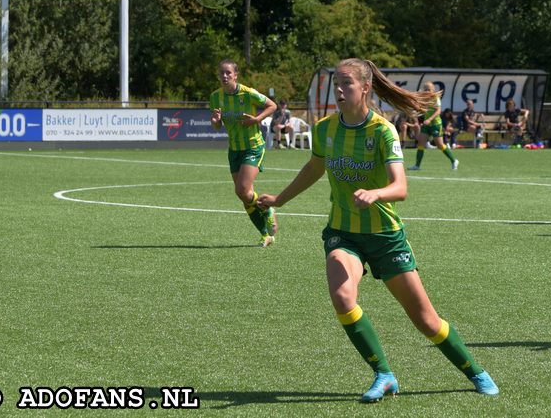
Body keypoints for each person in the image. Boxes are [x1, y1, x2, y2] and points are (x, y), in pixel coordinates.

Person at [257, 58, 499, 402]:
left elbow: (400, 188)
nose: (339, 91)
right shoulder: (326, 129)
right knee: (343, 297)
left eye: (346, 84)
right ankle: (384, 374)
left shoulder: (382, 131)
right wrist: (280, 199)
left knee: (426, 320)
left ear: (365, 88)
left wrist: (376, 193)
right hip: (343, 233)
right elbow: (314, 168)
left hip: (386, 238)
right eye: (335, 85)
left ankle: (475, 371)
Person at [210, 59, 279, 247]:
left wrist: (256, 119)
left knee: (241, 189)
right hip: (234, 149)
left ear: (235, 75)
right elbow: (217, 127)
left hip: (252, 146)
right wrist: (216, 121)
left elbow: (272, 105)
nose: (224, 76)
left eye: (228, 73)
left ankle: (268, 210)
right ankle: (265, 234)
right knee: (244, 194)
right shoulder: (215, 97)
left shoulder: (247, 93)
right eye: (221, 73)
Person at [408, 82, 459, 171]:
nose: (427, 91)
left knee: (440, 145)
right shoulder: (424, 98)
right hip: (427, 125)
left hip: (435, 125)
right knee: (421, 144)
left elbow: (438, 111)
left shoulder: (436, 98)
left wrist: (429, 119)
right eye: (425, 89)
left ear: (433, 90)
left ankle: (454, 161)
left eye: (429, 89)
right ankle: (417, 165)